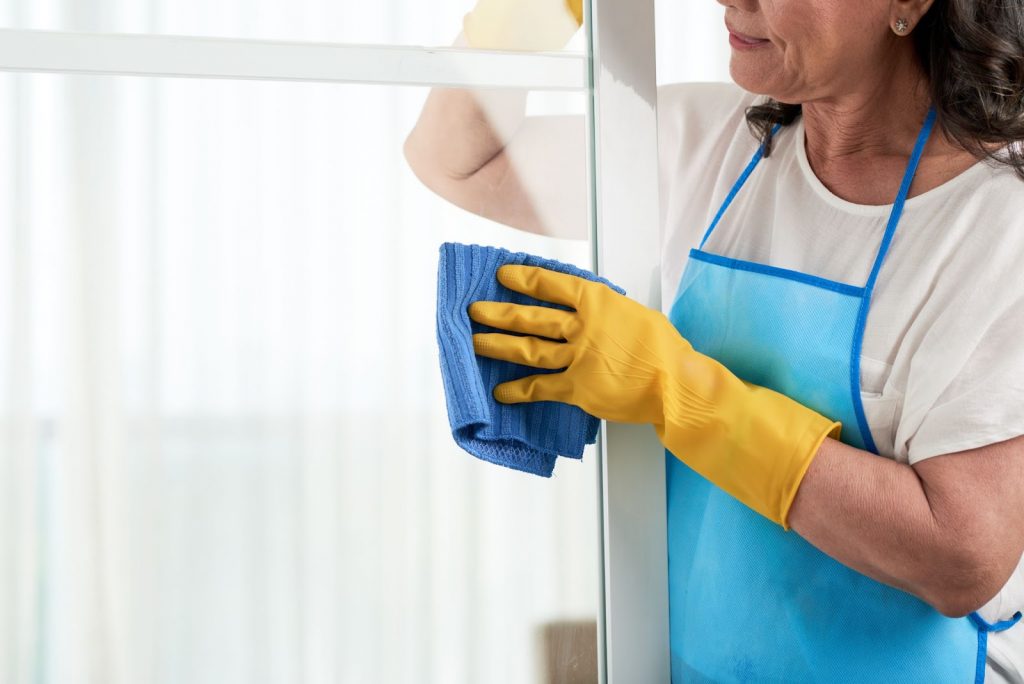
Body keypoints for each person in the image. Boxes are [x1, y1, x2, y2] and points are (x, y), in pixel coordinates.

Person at [404, 0, 1024, 680]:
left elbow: (961, 557)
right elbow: (458, 160)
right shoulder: (702, 144)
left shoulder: (998, 222)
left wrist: (677, 393)